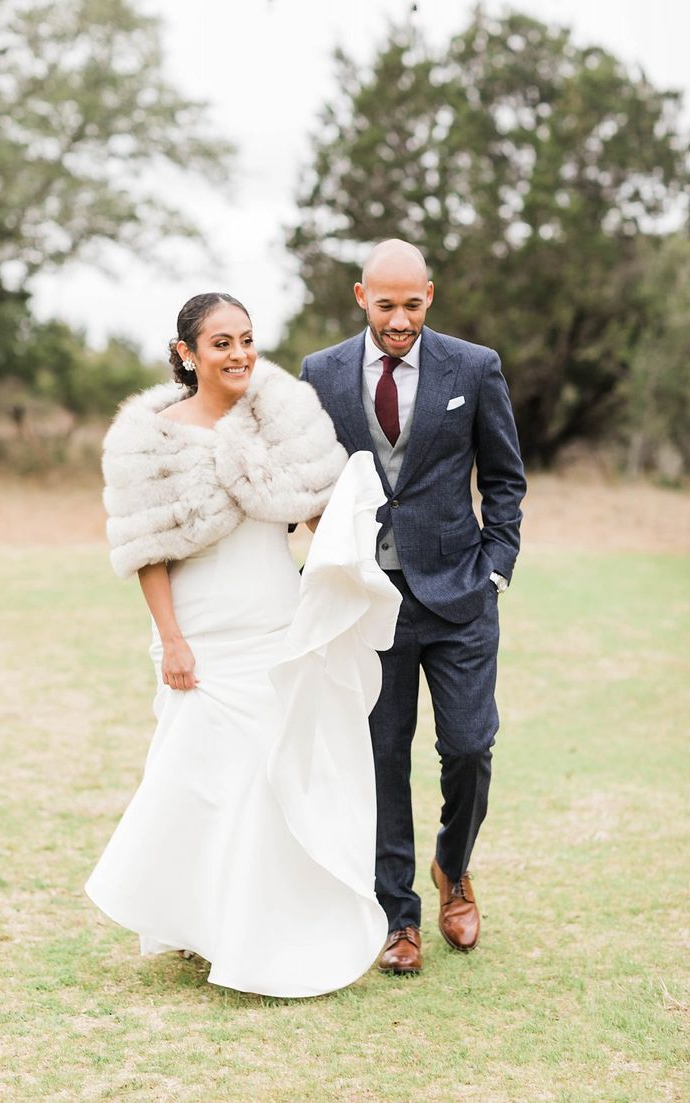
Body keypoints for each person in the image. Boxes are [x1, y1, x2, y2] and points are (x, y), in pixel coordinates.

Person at [85, 292, 402, 997]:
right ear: (186, 354)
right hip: (202, 631)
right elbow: (146, 552)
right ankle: (201, 917)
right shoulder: (151, 439)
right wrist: (171, 640)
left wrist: (347, 555)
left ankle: (260, 929)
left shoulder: (281, 422)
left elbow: (321, 509)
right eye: (221, 342)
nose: (239, 354)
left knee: (269, 778)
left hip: (273, 623)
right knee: (202, 782)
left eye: (247, 340)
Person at [301, 240, 527, 974]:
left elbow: (504, 478)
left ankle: (452, 867)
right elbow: (309, 476)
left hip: (461, 594)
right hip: (368, 601)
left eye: (414, 303)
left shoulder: (475, 366)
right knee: (381, 758)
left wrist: (496, 566)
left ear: (430, 294)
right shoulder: (322, 373)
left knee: (468, 746)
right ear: (360, 295)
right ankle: (400, 917)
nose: (400, 319)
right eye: (386, 304)